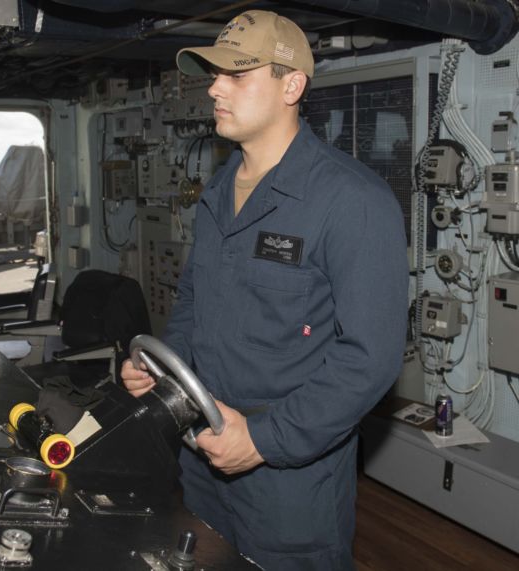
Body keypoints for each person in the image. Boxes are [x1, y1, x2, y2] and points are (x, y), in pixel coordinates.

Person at [122, 10, 408, 571]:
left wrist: (263, 439)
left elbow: (370, 359)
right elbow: (194, 303)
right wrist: (163, 367)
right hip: (203, 454)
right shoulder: (221, 188)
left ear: (291, 85)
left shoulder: (353, 202)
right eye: (214, 74)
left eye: (237, 75)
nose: (214, 88)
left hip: (288, 477)